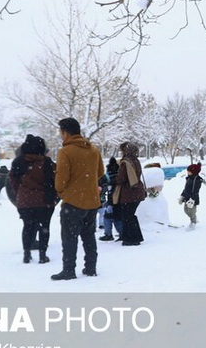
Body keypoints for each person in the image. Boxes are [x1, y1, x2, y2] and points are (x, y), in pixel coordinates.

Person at [52, 117, 105, 280]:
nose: (60, 135)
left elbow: (61, 181)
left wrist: (62, 191)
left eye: (61, 132)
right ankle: (91, 267)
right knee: (89, 235)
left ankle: (68, 270)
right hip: (91, 201)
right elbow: (101, 172)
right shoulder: (93, 150)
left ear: (65, 132)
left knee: (69, 237)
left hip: (73, 202)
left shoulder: (65, 151)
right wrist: (87, 183)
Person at [7, 134, 57, 264]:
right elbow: (54, 180)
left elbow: (13, 180)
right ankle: (42, 255)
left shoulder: (18, 162)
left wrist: (22, 192)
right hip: (44, 200)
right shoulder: (47, 162)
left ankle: (27, 254)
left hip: (24, 201)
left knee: (27, 226)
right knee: (44, 227)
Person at [112, 141, 146, 246]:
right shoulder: (136, 161)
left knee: (127, 216)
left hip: (128, 194)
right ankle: (135, 237)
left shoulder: (125, 163)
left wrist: (113, 180)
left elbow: (121, 179)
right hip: (138, 192)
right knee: (131, 215)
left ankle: (130, 239)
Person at [99, 157, 123, 241]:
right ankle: (121, 234)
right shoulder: (118, 180)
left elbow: (111, 194)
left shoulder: (111, 182)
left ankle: (109, 234)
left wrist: (110, 204)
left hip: (114, 203)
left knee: (109, 218)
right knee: (117, 219)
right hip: (118, 203)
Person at [178, 163, 205, 228]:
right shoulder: (189, 178)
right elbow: (185, 188)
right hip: (186, 197)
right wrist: (182, 196)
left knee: (191, 210)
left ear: (193, 172)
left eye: (189, 171)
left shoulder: (197, 180)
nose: (187, 172)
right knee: (186, 210)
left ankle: (193, 222)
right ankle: (193, 218)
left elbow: (195, 191)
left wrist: (192, 199)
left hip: (193, 198)